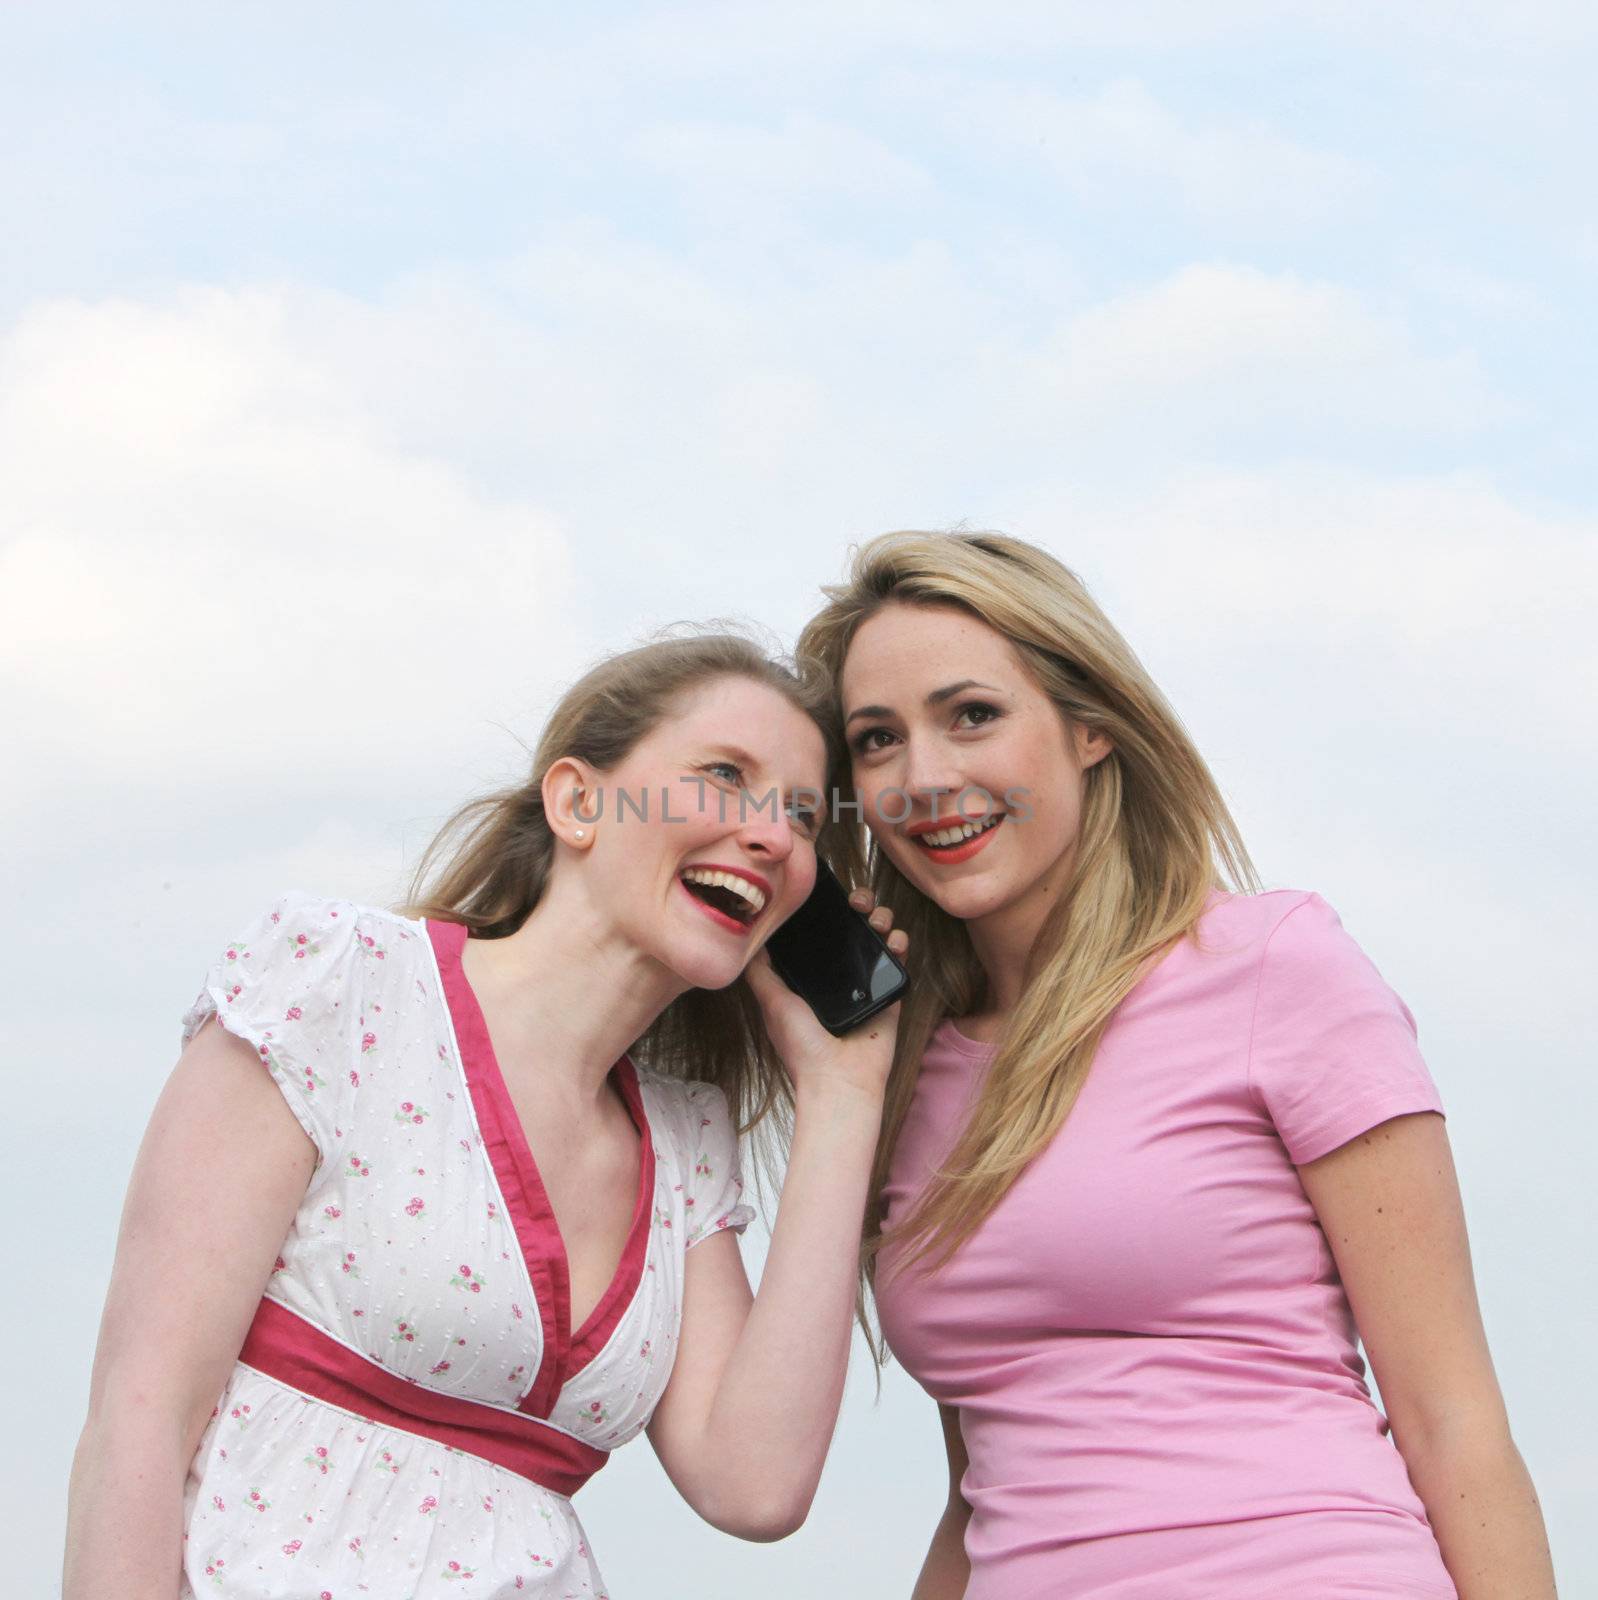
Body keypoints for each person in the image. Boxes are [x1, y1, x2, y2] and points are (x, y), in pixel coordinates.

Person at [63, 631, 909, 1599]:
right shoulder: (338, 987)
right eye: (724, 775)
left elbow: (754, 1482)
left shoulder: (680, 1146)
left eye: (802, 816)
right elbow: (140, 1417)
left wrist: (844, 1096)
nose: (774, 837)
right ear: (577, 802)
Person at [794, 532, 1558, 1600]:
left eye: (971, 713)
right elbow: (993, 1488)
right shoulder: (909, 1062)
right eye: (876, 740)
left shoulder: (1272, 964)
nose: (923, 776)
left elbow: (1450, 1419)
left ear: (1089, 723)